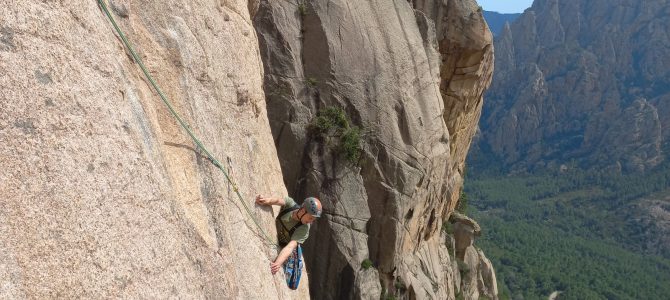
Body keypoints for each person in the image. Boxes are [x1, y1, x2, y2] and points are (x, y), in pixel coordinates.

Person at [255, 194, 322, 275]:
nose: (311, 222)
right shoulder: (291, 205)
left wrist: (278, 263)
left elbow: (290, 247)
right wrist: (266, 200)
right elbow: (278, 200)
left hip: (284, 245)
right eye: (310, 218)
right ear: (303, 211)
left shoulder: (304, 229)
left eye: (313, 220)